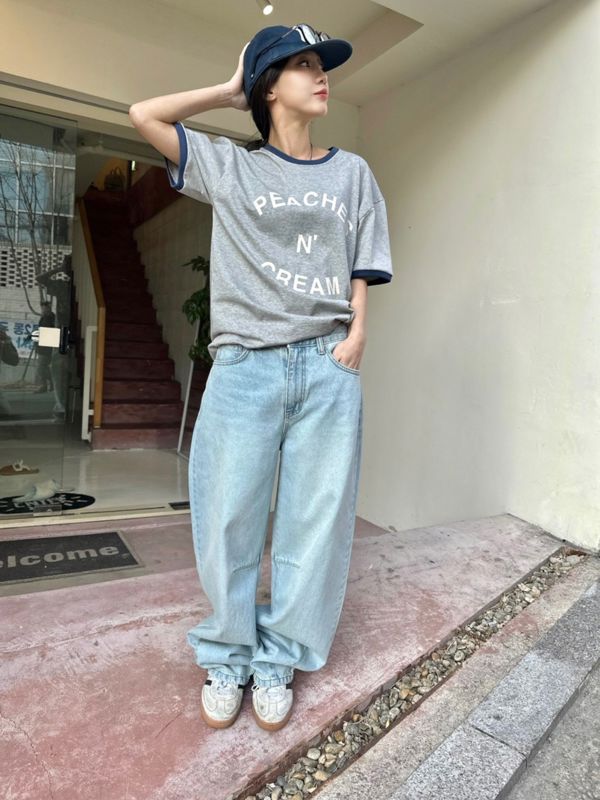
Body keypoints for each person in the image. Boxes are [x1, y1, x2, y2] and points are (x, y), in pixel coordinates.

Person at [129, 22, 393, 732]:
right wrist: (227, 90)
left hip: (327, 364)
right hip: (246, 365)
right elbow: (143, 115)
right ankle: (227, 655)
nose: (321, 76)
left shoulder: (352, 172)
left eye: (322, 65)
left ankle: (277, 660)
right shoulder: (232, 168)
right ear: (269, 86)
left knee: (315, 523)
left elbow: (363, 260)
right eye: (304, 65)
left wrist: (357, 335)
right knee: (228, 519)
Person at [34, 300, 55, 393]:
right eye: (43, 308)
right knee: (43, 366)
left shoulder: (51, 318)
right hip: (43, 346)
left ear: (49, 308)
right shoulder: (45, 317)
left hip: (47, 346)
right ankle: (49, 383)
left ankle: (45, 384)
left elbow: (49, 332)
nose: (44, 310)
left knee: (41, 367)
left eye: (46, 308)